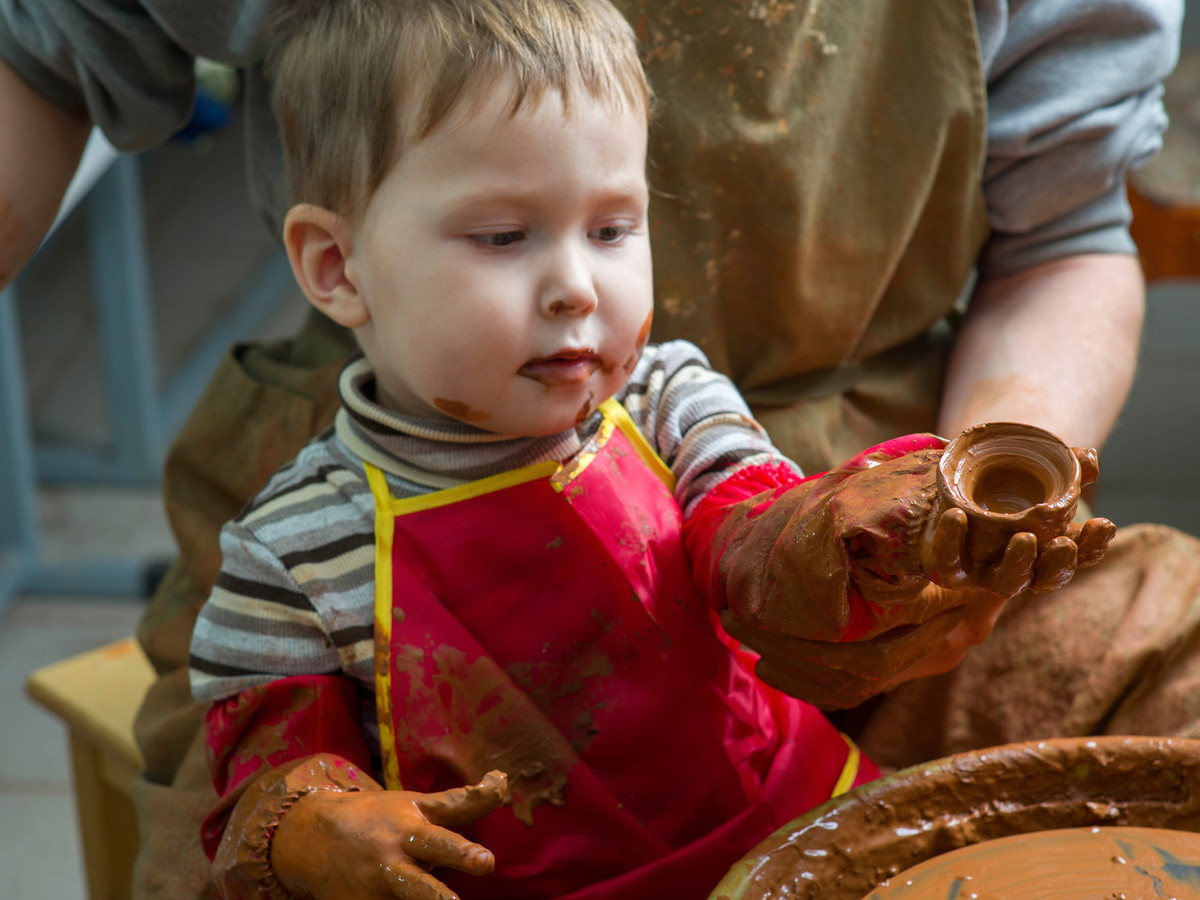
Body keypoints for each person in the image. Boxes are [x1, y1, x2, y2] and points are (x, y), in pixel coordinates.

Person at [1, 1, 1196, 898]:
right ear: (336, 266)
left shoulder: (670, 400)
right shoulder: (291, 548)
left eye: (617, 228)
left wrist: (889, 536)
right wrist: (310, 820)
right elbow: (278, 748)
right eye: (504, 233)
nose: (577, 288)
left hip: (851, 571)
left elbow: (749, 524)